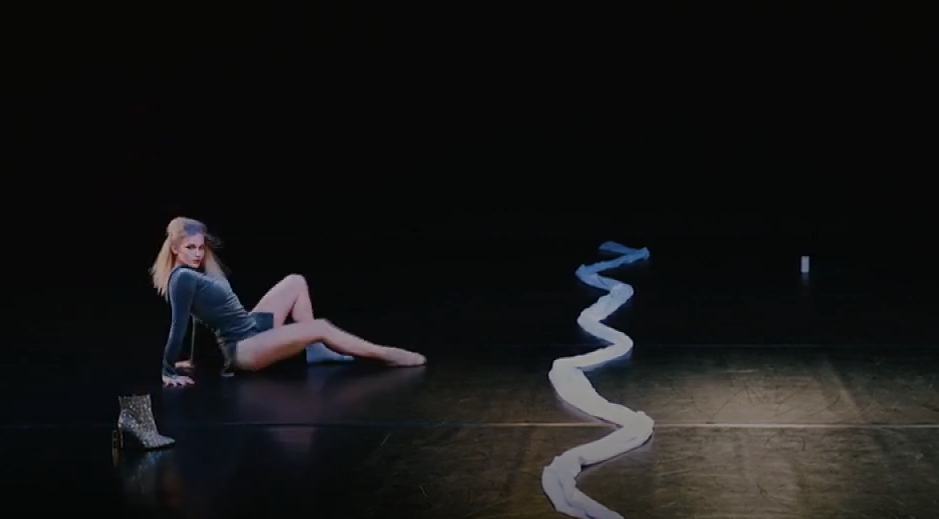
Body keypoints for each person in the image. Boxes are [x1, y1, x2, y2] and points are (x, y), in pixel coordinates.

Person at [151, 217, 426, 388]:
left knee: (295, 281)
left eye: (200, 247)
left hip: (252, 327)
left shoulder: (194, 275)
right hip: (244, 347)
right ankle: (387, 354)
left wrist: (194, 360)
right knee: (320, 326)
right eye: (190, 248)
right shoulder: (182, 278)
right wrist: (168, 370)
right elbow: (179, 324)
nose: (198, 253)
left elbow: (198, 320)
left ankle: (316, 350)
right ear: (175, 248)